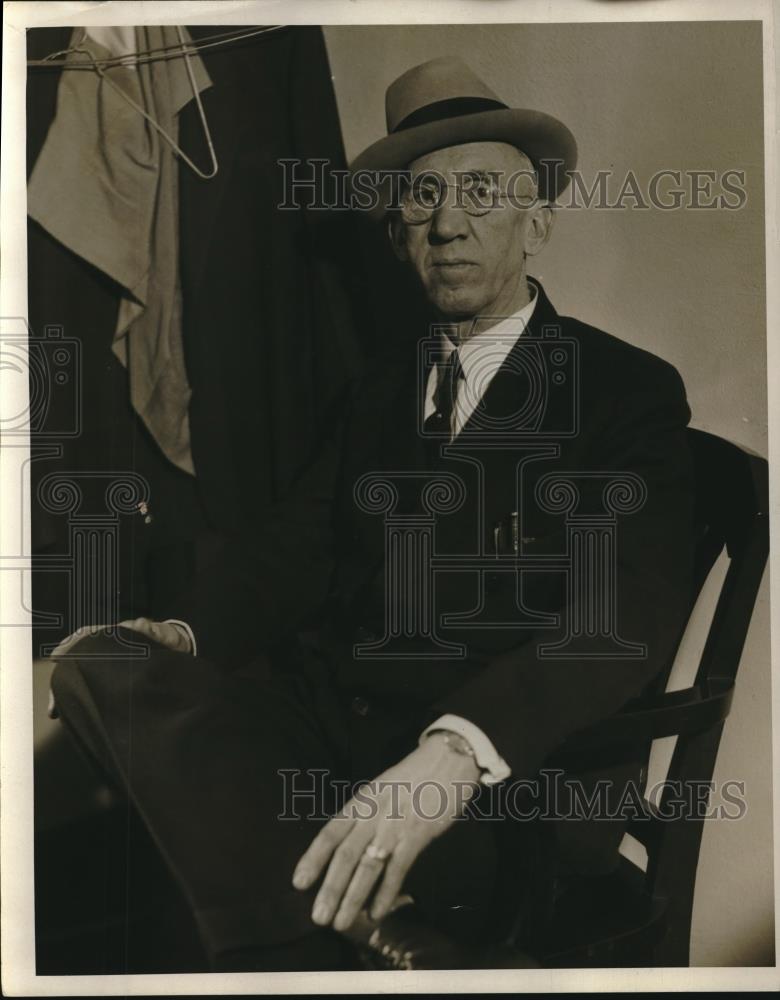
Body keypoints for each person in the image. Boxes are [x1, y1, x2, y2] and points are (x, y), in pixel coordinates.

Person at [50, 56, 695, 971]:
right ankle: (364, 930)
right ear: (397, 236)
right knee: (97, 664)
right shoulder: (376, 391)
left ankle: (306, 937)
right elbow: (295, 551)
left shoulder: (627, 391)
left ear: (537, 221)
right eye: (421, 199)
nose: (449, 222)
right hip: (329, 734)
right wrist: (189, 633)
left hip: (508, 780)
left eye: (481, 191)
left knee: (181, 855)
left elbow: (622, 616)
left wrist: (459, 753)